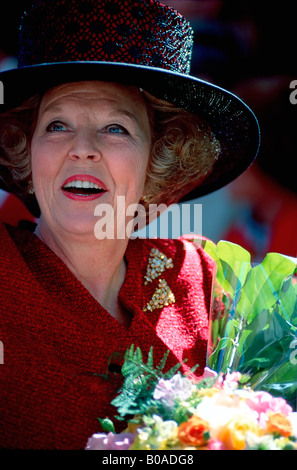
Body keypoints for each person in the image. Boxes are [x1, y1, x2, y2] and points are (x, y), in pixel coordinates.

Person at [0, 0, 260, 449]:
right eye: (57, 125)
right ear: (26, 150)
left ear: (158, 160)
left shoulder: (195, 276)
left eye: (116, 128)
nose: (83, 148)